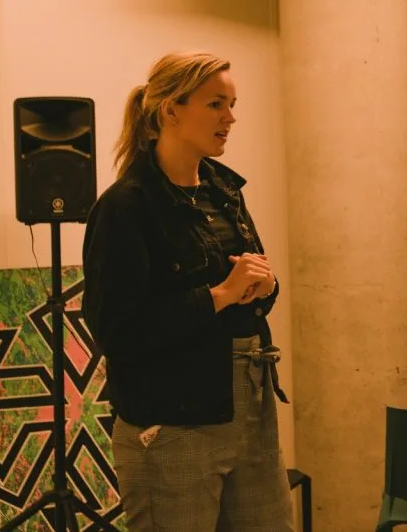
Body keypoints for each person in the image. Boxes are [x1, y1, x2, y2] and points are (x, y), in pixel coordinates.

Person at [81, 52, 294, 532]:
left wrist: (266, 284)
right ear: (171, 110)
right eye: (216, 104)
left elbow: (251, 290)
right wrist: (218, 295)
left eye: (232, 103)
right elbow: (118, 333)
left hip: (249, 409)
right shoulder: (125, 208)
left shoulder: (223, 190)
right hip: (172, 425)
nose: (230, 118)